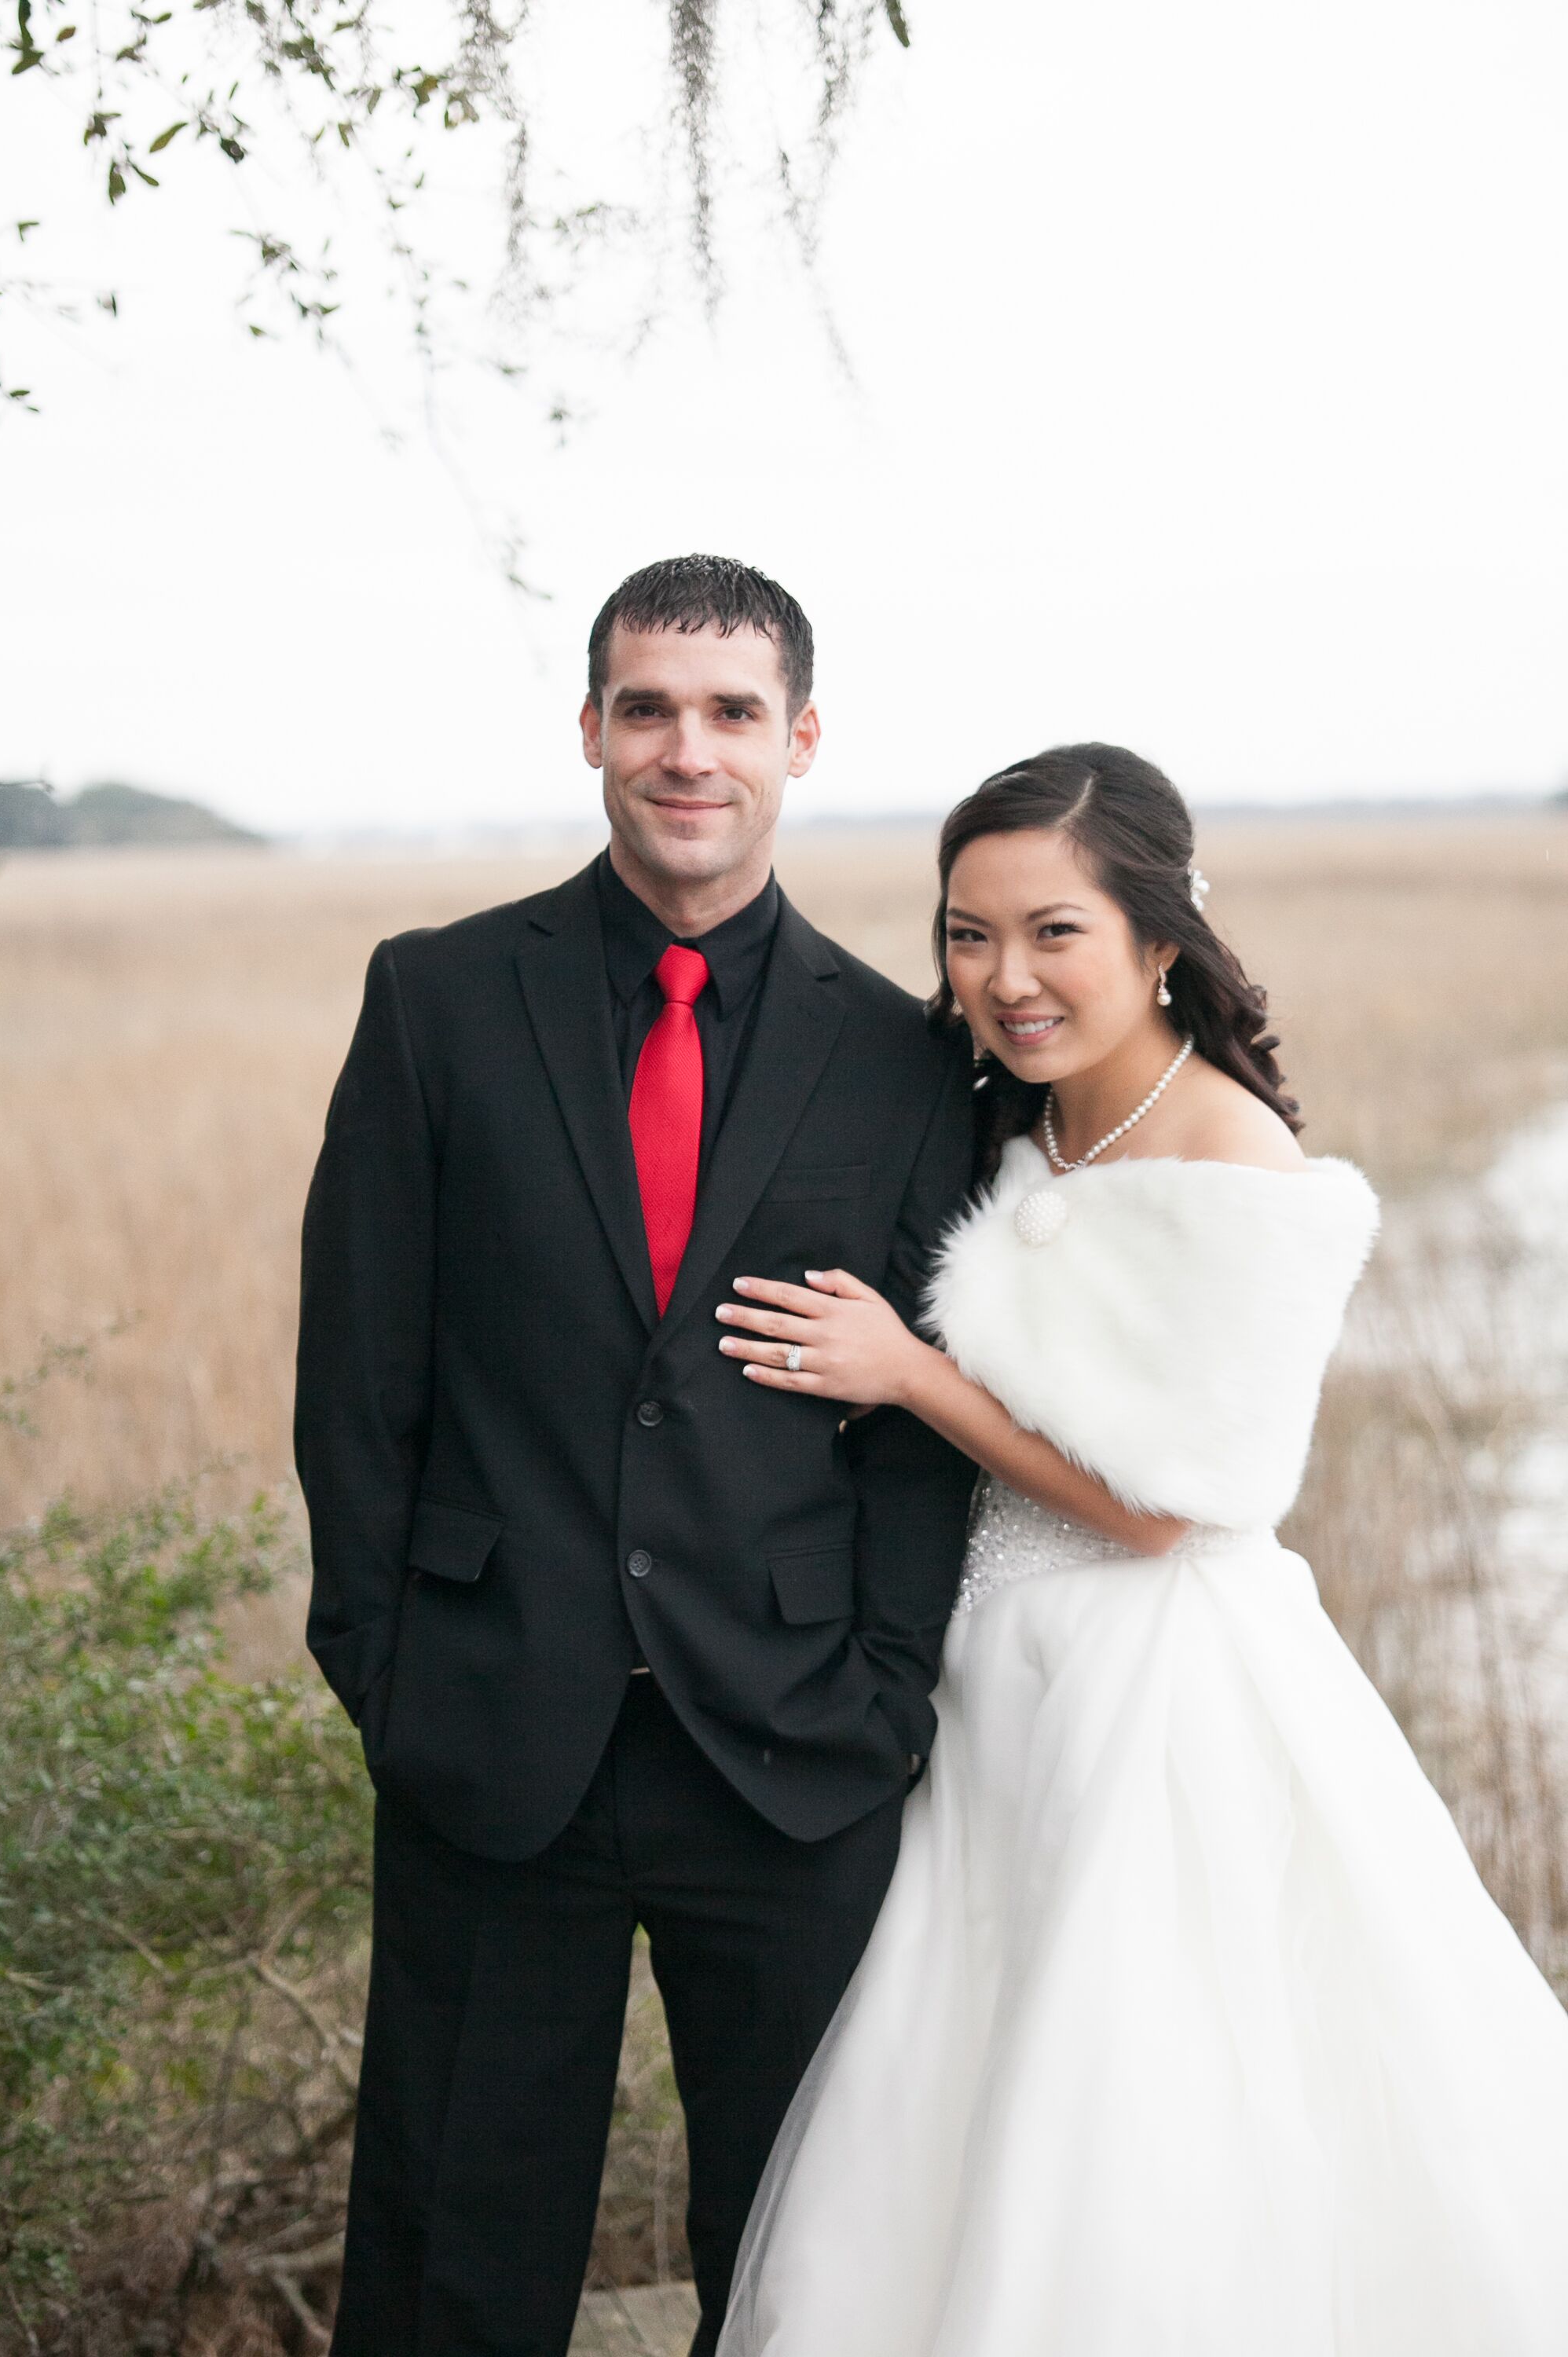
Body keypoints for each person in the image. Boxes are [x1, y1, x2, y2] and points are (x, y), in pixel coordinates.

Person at [713, 744, 1568, 2356]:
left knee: (1137, 2103)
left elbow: (1177, 1501)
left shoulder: (1245, 1169)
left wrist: (909, 1373)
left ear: (1157, 940)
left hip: (1154, 1691)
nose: (1004, 978)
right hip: (989, 1685)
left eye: (1053, 934)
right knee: (954, 2072)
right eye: (968, 935)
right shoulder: (1018, 1124)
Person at [293, 555, 977, 2357]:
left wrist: (888, 1690)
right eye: (650, 707)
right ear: (592, 727)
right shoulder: (436, 999)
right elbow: (358, 1369)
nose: (690, 751)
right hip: (491, 1733)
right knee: (455, 2240)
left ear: (800, 739)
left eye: (732, 712)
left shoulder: (911, 1061)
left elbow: (920, 1432)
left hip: (795, 1747)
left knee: (804, 2255)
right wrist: (384, 1665)